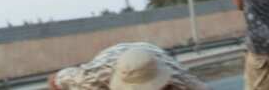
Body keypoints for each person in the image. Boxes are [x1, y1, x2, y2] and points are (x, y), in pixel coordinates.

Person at [49, 42, 208, 90]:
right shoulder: (91, 78)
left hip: (149, 52)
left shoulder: (180, 80)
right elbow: (54, 80)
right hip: (112, 59)